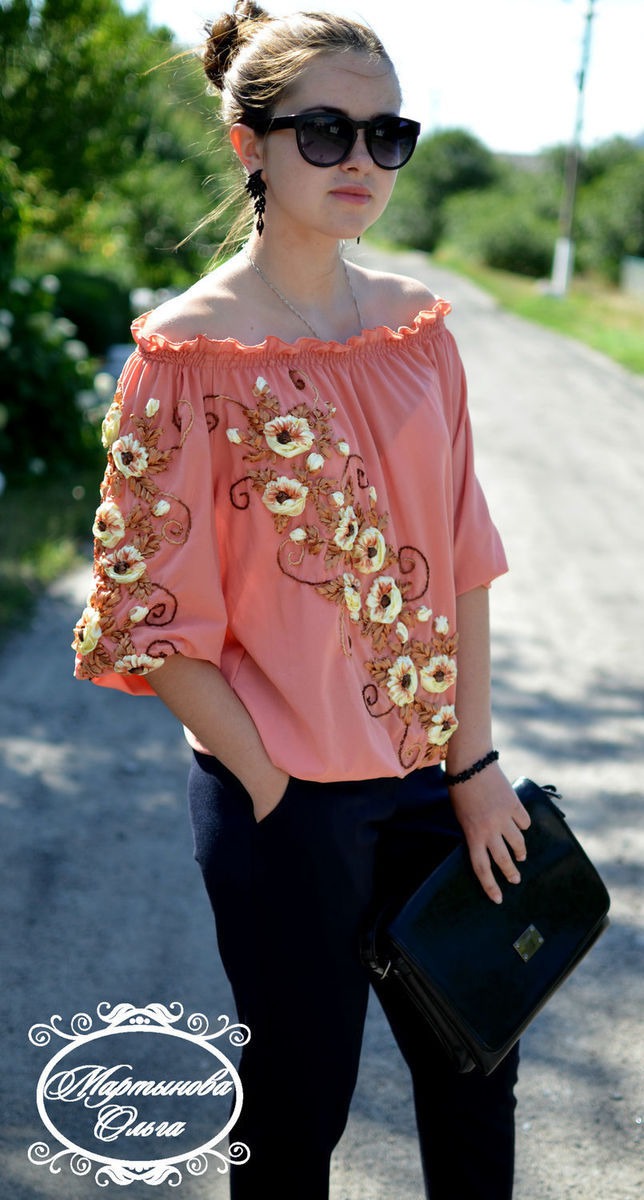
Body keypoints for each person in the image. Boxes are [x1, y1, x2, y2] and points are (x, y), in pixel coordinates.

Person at [72, 4, 532, 1197]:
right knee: (295, 1110)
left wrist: (473, 765)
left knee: (476, 1076)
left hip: (432, 787)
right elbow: (144, 617)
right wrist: (271, 785)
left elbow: (465, 554)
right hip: (284, 806)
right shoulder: (183, 357)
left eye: (388, 135)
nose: (359, 161)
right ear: (250, 145)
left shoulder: (418, 335)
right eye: (325, 132)